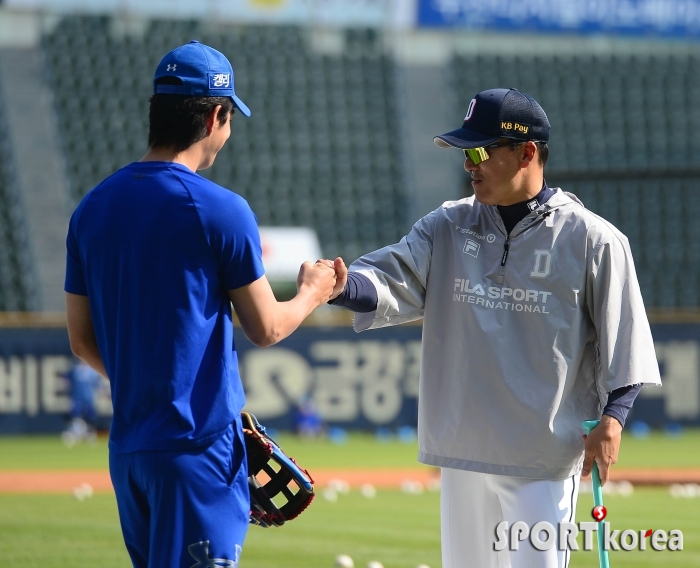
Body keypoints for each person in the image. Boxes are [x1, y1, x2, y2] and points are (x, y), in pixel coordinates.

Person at [328, 88, 661, 568]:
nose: (470, 165)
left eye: (481, 151)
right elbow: (389, 277)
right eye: (467, 153)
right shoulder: (447, 224)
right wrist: (339, 285)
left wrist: (614, 418)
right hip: (464, 452)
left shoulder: (594, 239)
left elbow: (625, 337)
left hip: (542, 458)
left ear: (527, 152)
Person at [64, 41, 336, 568]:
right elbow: (267, 328)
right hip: (198, 449)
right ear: (216, 115)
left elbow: (81, 340)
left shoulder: (91, 208)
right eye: (230, 118)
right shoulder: (220, 209)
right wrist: (313, 291)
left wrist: (151, 382)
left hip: (130, 453)